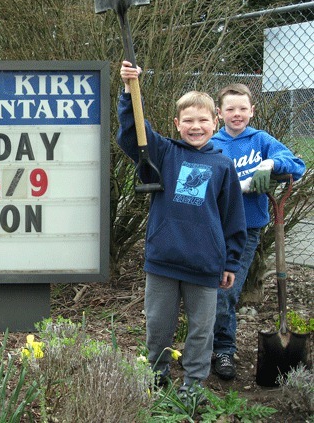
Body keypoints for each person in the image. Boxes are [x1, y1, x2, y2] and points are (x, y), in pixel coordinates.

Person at [116, 61, 247, 399]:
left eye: (203, 120)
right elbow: (133, 133)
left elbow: (233, 217)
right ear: (177, 124)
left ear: (214, 122)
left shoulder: (222, 165)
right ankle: (156, 376)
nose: (195, 126)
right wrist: (129, 90)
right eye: (187, 120)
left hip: (204, 266)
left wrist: (231, 261)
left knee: (201, 331)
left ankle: (192, 385)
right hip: (163, 260)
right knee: (158, 326)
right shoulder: (163, 153)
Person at [211, 83, 306, 380]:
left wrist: (270, 162)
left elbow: (298, 165)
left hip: (247, 230)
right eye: (230, 109)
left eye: (242, 109)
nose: (236, 114)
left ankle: (224, 350)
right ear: (219, 113)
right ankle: (205, 345)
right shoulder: (213, 143)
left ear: (252, 111)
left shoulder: (261, 140)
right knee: (208, 292)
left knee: (225, 293)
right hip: (212, 228)